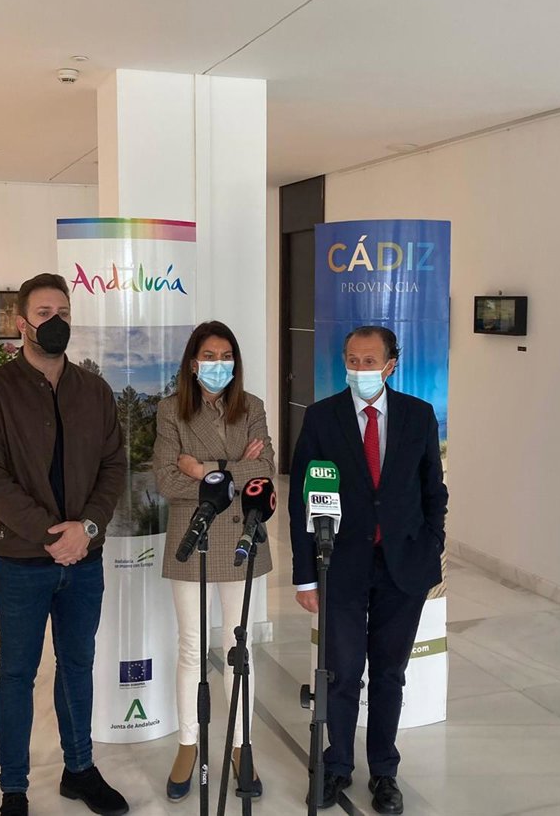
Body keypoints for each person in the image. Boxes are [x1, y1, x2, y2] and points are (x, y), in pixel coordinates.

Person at [0, 272, 129, 816]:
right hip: (20, 561)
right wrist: (49, 533)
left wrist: (88, 528)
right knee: (16, 673)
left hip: (85, 559)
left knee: (77, 665)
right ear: (21, 323)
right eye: (43, 313)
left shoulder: (94, 391)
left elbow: (113, 466)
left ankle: (79, 770)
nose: (55, 321)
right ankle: (13, 788)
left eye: (63, 311)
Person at [289, 325, 447, 815]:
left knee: (389, 674)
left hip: (404, 567)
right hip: (339, 565)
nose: (360, 369)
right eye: (352, 360)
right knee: (340, 673)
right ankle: (337, 765)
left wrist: (433, 546)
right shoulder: (322, 417)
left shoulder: (419, 416)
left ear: (390, 365)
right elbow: (301, 499)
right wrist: (306, 574)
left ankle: (384, 771)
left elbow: (433, 491)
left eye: (369, 361)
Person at [152, 321, 276, 802]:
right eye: (209, 355)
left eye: (226, 356)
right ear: (192, 362)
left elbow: (265, 473)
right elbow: (167, 480)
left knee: (239, 647)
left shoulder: (253, 407)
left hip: (244, 533)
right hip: (193, 534)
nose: (218, 364)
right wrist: (235, 471)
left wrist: (204, 469)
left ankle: (242, 746)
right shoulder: (170, 411)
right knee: (191, 646)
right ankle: (188, 744)